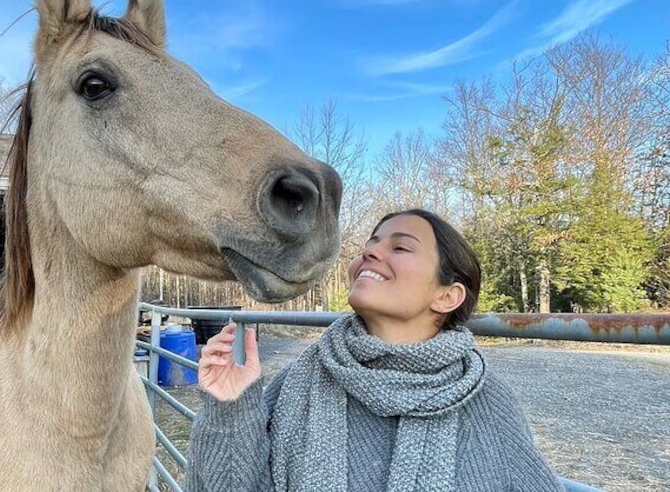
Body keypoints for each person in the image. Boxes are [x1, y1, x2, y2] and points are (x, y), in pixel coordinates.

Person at [188, 208, 565, 492]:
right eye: (370, 244)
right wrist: (231, 405)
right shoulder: (298, 382)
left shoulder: (487, 402)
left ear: (447, 296)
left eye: (399, 246)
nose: (369, 253)